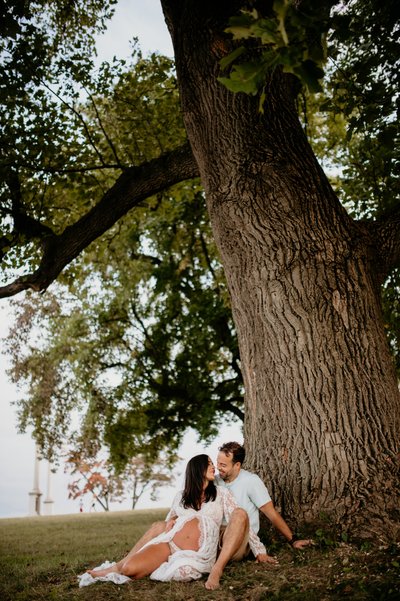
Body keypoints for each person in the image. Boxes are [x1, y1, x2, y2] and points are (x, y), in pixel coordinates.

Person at [79, 453, 269, 587]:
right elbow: (169, 521)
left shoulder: (221, 493)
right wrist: (171, 522)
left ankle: (216, 570)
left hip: (201, 551)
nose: (213, 467)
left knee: (240, 513)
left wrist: (259, 550)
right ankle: (117, 567)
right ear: (196, 469)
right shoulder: (180, 496)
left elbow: (239, 521)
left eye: (213, 463)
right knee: (130, 569)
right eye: (208, 463)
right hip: (171, 546)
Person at [205, 441, 313, 589]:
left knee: (239, 514)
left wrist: (293, 540)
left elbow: (271, 514)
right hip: (216, 537)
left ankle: (217, 570)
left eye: (223, 465)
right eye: (218, 463)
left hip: (241, 539)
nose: (218, 468)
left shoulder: (251, 481)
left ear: (237, 465)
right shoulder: (215, 481)